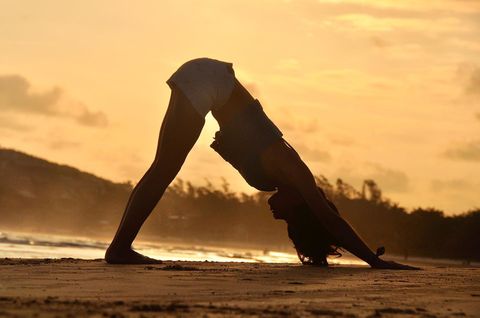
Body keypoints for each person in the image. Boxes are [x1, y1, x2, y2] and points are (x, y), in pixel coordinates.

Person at [105, 58, 417, 269]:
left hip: (209, 83)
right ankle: (120, 249)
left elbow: (323, 220)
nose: (276, 215)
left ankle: (120, 248)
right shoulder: (294, 169)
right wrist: (373, 261)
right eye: (288, 218)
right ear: (302, 206)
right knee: (163, 170)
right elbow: (329, 219)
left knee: (162, 169)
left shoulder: (279, 179)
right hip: (209, 81)